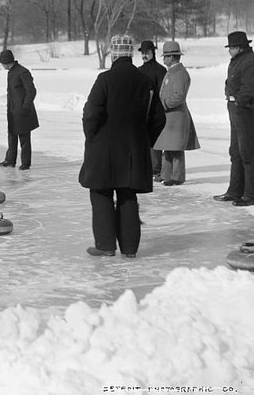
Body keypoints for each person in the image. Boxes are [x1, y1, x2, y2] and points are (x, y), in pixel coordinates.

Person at [79, 35, 165, 258]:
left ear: (114, 54)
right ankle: (129, 249)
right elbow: (158, 118)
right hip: (133, 150)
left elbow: (90, 114)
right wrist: (146, 140)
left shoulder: (105, 79)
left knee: (101, 194)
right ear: (130, 54)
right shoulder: (144, 80)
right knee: (128, 196)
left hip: (103, 150)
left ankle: (106, 246)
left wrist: (92, 137)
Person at [213, 31, 254, 206]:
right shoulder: (237, 60)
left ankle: (251, 194)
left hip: (246, 112)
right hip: (236, 111)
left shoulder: (251, 61)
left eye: (231, 47)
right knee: (235, 152)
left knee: (247, 153)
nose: (229, 51)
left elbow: (250, 88)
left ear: (239, 47)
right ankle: (235, 191)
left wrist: (237, 100)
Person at [152, 41, 200, 186]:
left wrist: (164, 104)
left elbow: (179, 96)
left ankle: (177, 176)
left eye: (165, 56)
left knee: (176, 148)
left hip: (176, 117)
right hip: (169, 117)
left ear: (172, 57)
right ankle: (166, 175)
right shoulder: (172, 71)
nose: (163, 59)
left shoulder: (180, 73)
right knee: (167, 146)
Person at [0, 49, 39, 170]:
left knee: (24, 138)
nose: (2, 66)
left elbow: (31, 91)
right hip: (12, 110)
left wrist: (25, 107)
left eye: (2, 63)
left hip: (22, 111)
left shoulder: (22, 72)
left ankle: (25, 164)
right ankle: (10, 160)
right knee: (12, 135)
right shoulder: (11, 72)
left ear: (6, 62)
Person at [137, 40, 166, 181]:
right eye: (142, 53)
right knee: (144, 140)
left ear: (153, 53)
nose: (144, 55)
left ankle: (156, 169)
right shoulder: (138, 70)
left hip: (157, 111)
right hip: (142, 111)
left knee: (156, 141)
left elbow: (163, 91)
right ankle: (147, 167)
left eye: (147, 53)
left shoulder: (160, 70)